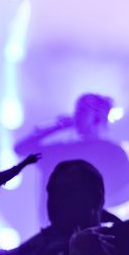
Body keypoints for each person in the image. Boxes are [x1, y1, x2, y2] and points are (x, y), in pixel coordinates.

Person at [15, 93, 129, 224]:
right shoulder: (63, 150)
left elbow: (123, 191)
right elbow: (21, 149)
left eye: (82, 111)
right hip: (54, 227)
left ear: (98, 118)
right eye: (77, 111)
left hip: (85, 229)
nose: (76, 116)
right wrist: (58, 125)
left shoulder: (112, 152)